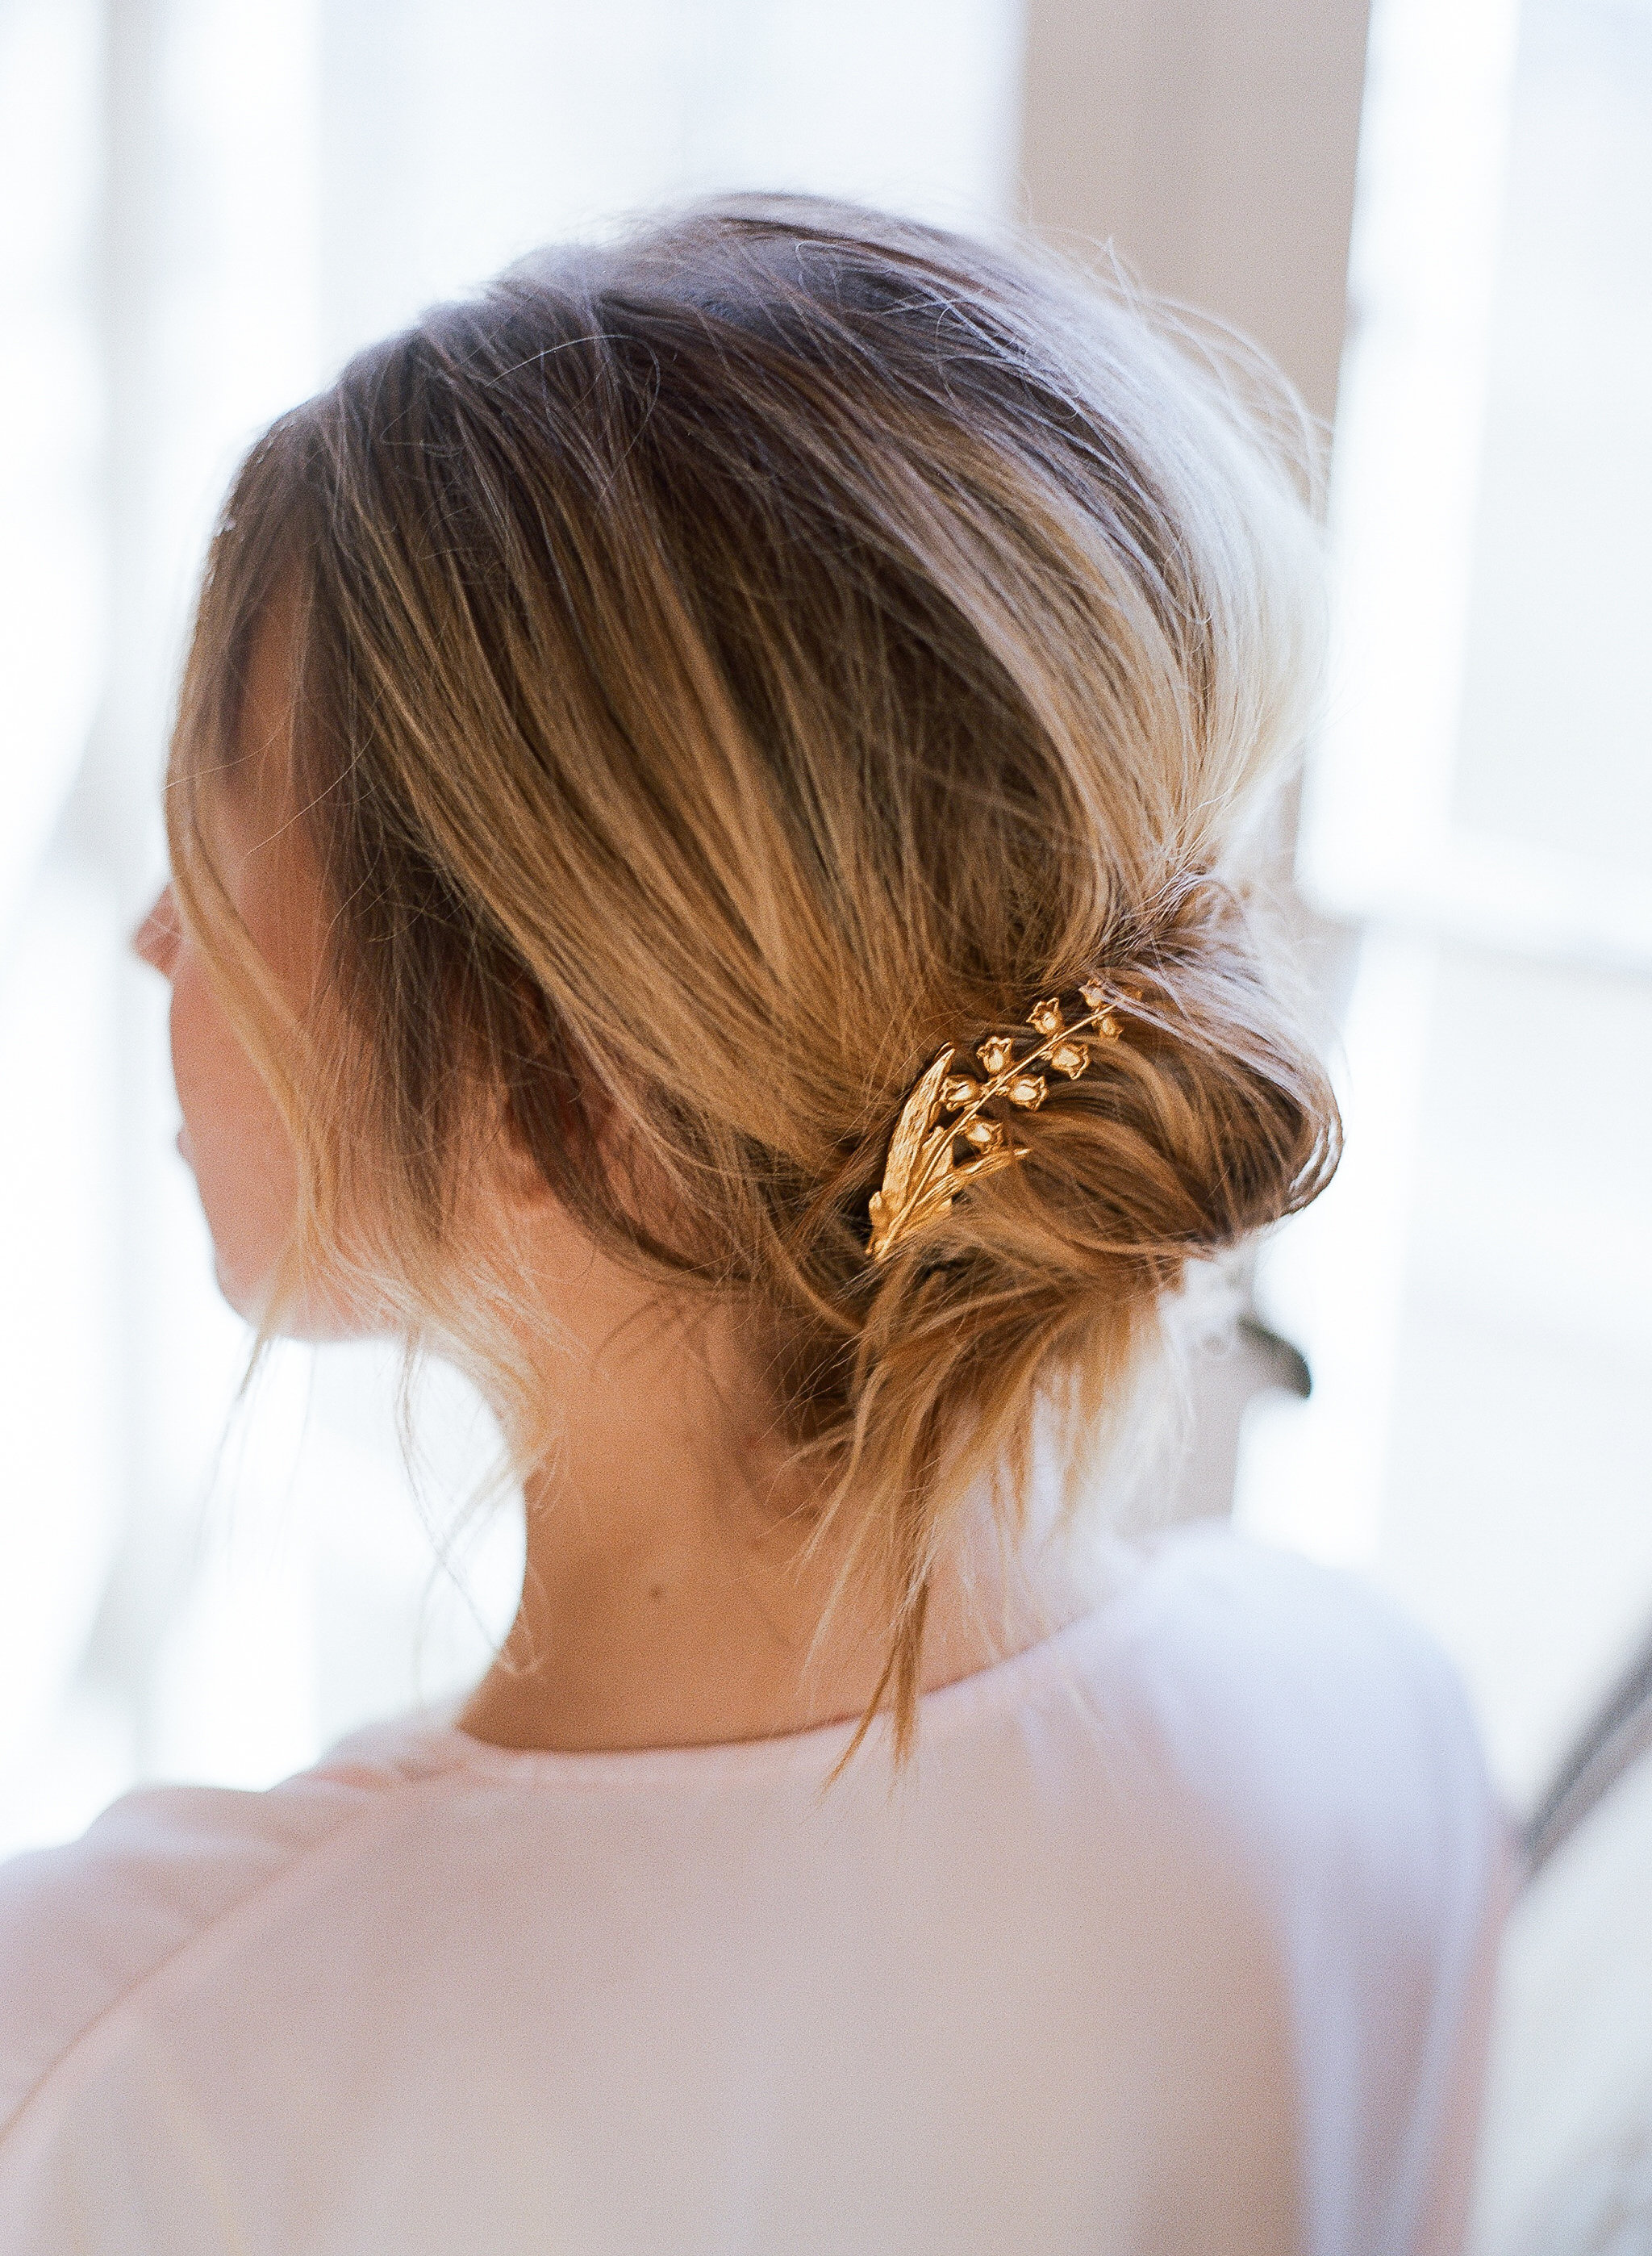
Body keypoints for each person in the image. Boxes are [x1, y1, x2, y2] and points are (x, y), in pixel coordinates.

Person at [0, 198, 1506, 2254]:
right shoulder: (1371, 1730)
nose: (149, 934)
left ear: (554, 1062)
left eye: (216, 836)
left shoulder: (113, 2074)